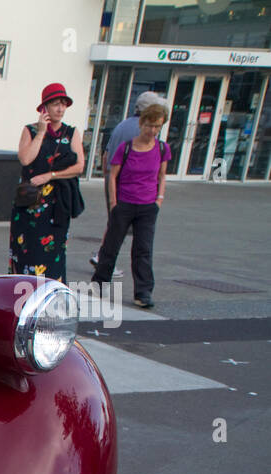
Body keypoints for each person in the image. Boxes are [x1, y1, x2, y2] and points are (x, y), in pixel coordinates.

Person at [91, 103, 170, 309]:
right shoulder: (126, 148)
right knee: (112, 245)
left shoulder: (162, 148)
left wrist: (159, 199)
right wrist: (114, 202)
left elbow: (162, 175)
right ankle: (100, 283)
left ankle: (143, 292)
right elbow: (113, 175)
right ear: (142, 123)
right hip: (125, 202)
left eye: (157, 127)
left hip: (147, 206)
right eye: (150, 126)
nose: (152, 131)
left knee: (143, 248)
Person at [9, 83, 85, 283]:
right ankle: (22, 295)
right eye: (55, 104)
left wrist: (50, 175)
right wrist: (42, 132)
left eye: (63, 104)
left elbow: (79, 166)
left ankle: (52, 296)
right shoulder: (31, 130)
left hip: (57, 205)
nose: (60, 109)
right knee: (26, 251)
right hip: (29, 204)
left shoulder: (71, 133)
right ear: (45, 108)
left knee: (53, 255)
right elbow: (26, 159)